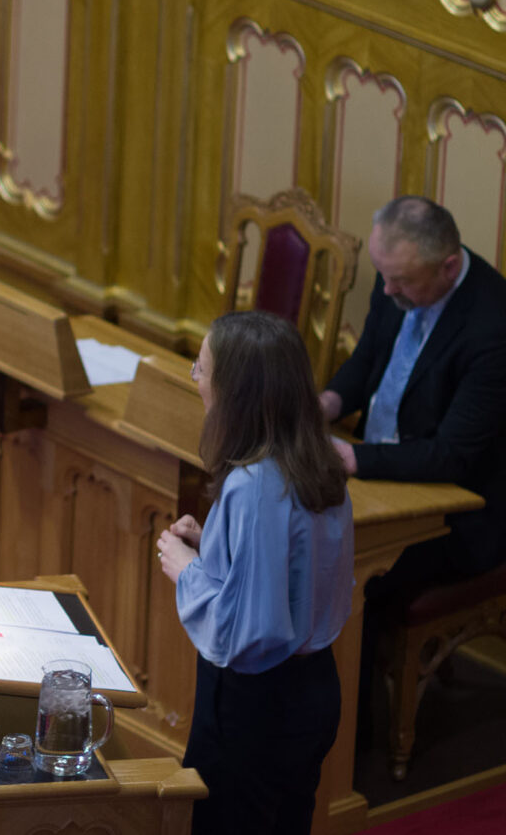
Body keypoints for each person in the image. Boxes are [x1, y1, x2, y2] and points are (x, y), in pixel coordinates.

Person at [157, 310, 354, 834]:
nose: (195, 381)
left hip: (254, 706)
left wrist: (189, 568)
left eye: (201, 370)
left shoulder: (251, 483)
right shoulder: (323, 463)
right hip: (312, 691)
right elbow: (293, 568)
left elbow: (245, 630)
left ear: (234, 390)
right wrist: (216, 544)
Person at [321, 197, 506, 602]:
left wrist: (351, 458)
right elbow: (367, 361)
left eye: (399, 279)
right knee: (285, 531)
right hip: (381, 473)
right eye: (383, 274)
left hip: (460, 512)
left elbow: (451, 455)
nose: (386, 289)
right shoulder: (397, 281)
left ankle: (350, 667)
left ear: (448, 266)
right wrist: (327, 403)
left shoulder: (498, 329)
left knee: (342, 569)